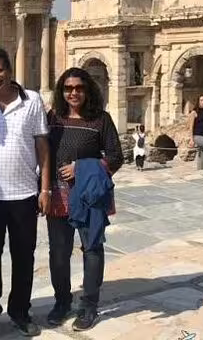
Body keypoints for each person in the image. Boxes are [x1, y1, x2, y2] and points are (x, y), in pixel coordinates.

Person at [0, 47, 51, 338]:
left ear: (9, 70)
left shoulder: (32, 100)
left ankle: (20, 310)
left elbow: (43, 147)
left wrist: (45, 188)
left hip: (24, 194)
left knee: (24, 256)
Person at [45, 67, 124, 332]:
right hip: (58, 195)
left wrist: (81, 167)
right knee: (58, 253)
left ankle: (89, 305)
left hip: (89, 196)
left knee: (92, 249)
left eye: (79, 87)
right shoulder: (53, 118)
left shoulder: (100, 120)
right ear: (61, 91)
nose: (73, 93)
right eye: (68, 88)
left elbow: (115, 156)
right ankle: (62, 301)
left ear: (87, 89)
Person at [187, 94, 203, 176]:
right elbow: (190, 127)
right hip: (197, 136)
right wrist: (191, 139)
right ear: (198, 102)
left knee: (202, 152)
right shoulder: (194, 112)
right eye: (201, 100)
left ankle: (201, 171)